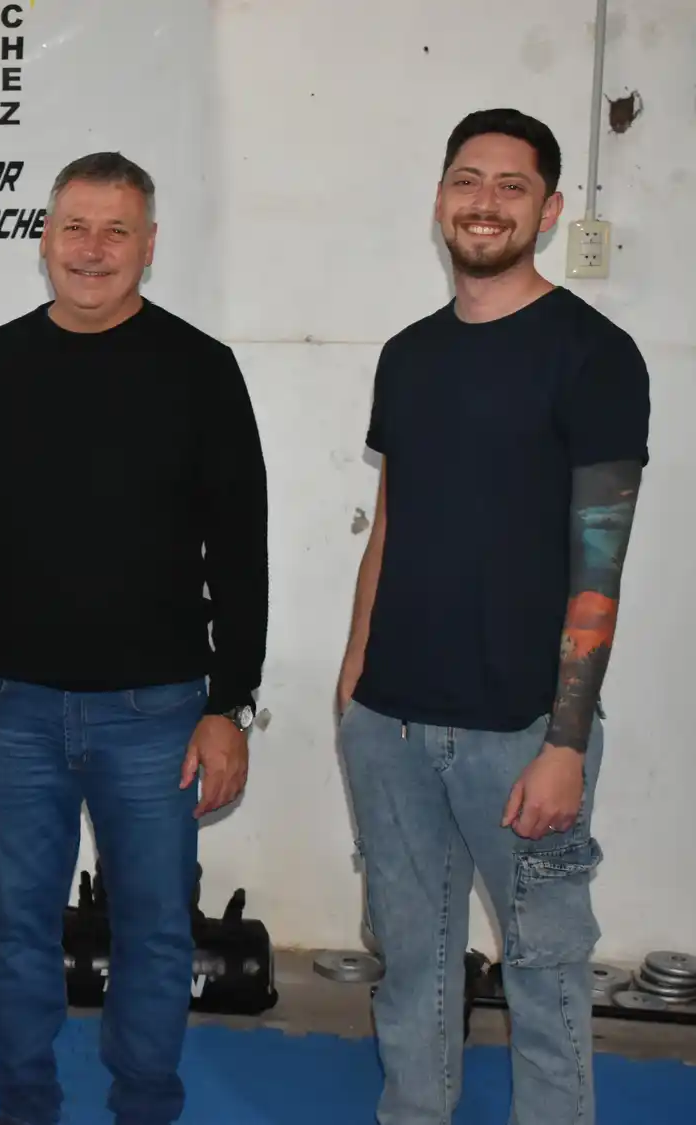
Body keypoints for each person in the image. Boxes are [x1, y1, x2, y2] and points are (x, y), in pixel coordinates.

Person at [0, 151, 269, 1125]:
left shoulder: (202, 371)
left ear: (150, 247)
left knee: (158, 934)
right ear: (43, 238)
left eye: (116, 231)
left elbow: (239, 552)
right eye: (75, 227)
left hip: (158, 714)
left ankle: (145, 1110)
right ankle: (25, 1108)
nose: (93, 250)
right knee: (16, 932)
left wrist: (227, 705)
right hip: (11, 707)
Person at [337, 108, 650, 1125]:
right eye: (467, 180)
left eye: (512, 186)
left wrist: (566, 743)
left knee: (549, 982)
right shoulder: (409, 355)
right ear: (440, 198)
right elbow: (392, 522)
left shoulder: (594, 356)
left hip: (522, 737)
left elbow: (600, 566)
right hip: (391, 726)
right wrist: (353, 685)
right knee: (411, 977)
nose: (485, 201)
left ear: (550, 209)